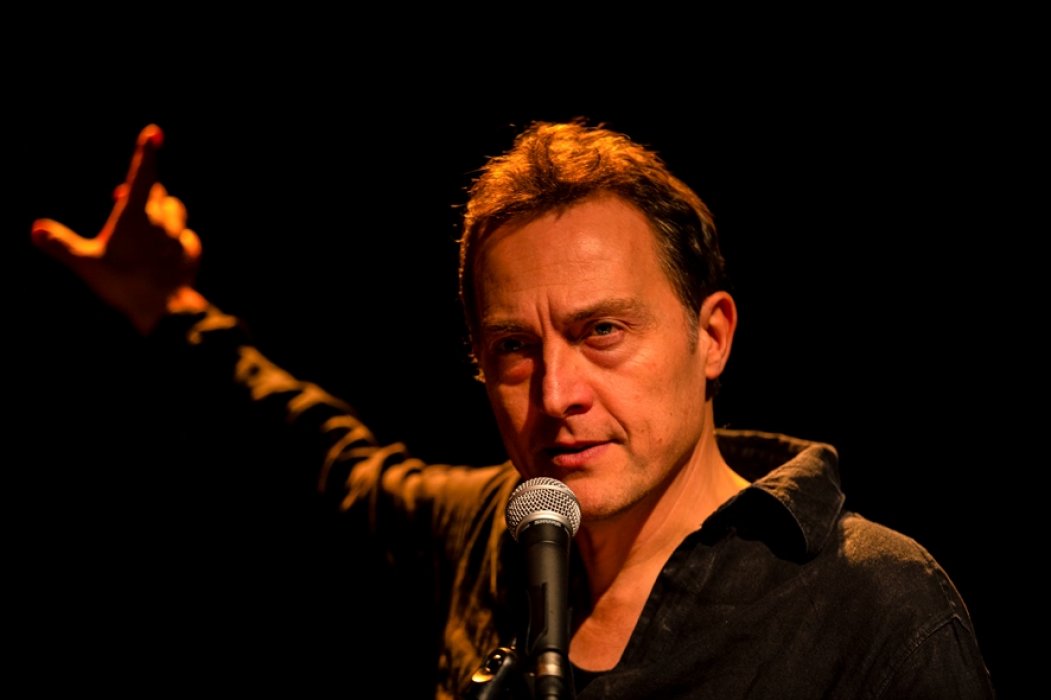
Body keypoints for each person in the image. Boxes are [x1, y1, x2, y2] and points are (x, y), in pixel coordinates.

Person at [30, 121, 995, 698]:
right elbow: (327, 461)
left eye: (602, 331)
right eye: (513, 350)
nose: (557, 393)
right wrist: (171, 311)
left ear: (711, 336)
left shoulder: (872, 602)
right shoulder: (500, 531)